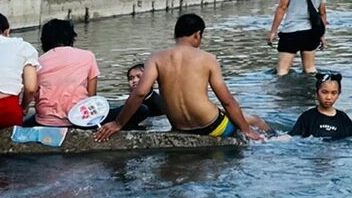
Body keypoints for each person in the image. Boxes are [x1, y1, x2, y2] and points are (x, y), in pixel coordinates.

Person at [97, 13, 265, 141]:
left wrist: (118, 123)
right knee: (254, 120)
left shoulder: (155, 58)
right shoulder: (207, 58)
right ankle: (276, 139)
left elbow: (140, 93)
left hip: (180, 128)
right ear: (198, 34)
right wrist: (246, 130)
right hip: (212, 126)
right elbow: (227, 101)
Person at [33, 18, 101, 127]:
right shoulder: (88, 56)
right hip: (79, 118)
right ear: (71, 37)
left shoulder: (38, 62)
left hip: (46, 120)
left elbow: (33, 91)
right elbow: (92, 95)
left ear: (44, 40)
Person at [289, 72, 352, 139]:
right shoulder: (307, 117)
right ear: (316, 93)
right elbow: (292, 136)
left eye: (334, 93)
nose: (329, 97)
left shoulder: (343, 118)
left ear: (338, 94)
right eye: (324, 92)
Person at [106, 61, 165, 130]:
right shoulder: (132, 99)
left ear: (152, 80)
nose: (134, 81)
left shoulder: (158, 103)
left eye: (139, 77)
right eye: (131, 78)